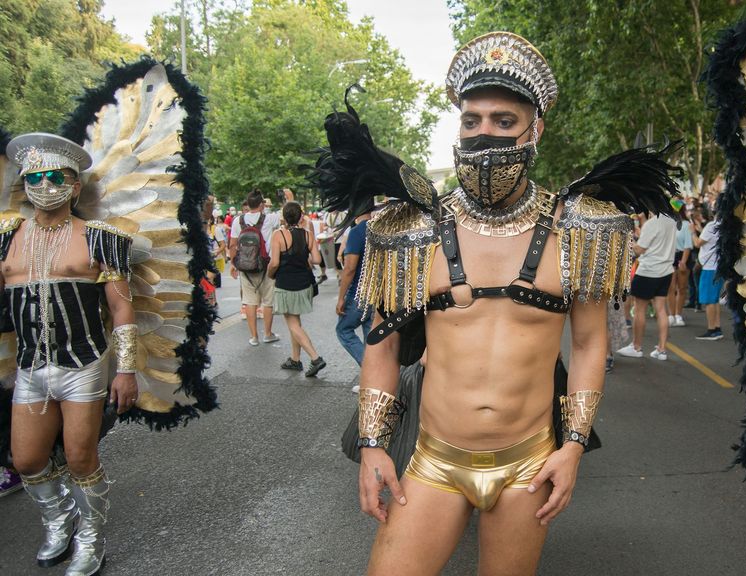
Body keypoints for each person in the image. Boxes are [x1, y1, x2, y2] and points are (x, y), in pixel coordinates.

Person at [315, 32, 676, 575]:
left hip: (529, 464)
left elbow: (588, 342)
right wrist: (372, 446)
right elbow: (381, 348)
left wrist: (573, 445)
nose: (485, 133)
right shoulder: (412, 227)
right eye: (472, 120)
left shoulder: (581, 227)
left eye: (503, 121)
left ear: (536, 129)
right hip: (433, 460)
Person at [4, 133, 138, 575]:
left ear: (76, 186)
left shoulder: (99, 239)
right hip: (30, 367)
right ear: (24, 183)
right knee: (26, 459)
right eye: (35, 177)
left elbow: (121, 308)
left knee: (81, 458)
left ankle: (92, 538)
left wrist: (127, 370)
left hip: (84, 365)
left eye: (57, 177)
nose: (45, 185)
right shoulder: (6, 238)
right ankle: (60, 519)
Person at [268, 201, 326, 377]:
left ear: (284, 217)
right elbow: (316, 259)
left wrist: (270, 274)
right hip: (304, 283)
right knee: (296, 322)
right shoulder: (308, 235)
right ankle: (295, 359)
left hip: (285, 283)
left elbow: (275, 262)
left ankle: (315, 358)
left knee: (292, 323)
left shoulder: (278, 235)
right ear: (301, 216)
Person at [616, 212, 677, 360]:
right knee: (661, 310)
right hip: (666, 271)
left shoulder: (652, 223)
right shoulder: (671, 221)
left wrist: (627, 244)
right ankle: (662, 349)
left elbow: (639, 249)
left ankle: (636, 347)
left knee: (639, 309)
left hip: (648, 271)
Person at [229, 189, 280, 346]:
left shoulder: (238, 221)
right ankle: (268, 333)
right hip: (266, 265)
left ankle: (254, 337)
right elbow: (286, 215)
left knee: (250, 301)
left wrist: (233, 264)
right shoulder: (270, 219)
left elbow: (232, 245)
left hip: (246, 266)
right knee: (267, 301)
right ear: (261, 204)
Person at [335, 207, 374, 393]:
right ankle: (372, 381)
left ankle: (370, 373)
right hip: (378, 291)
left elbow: (350, 267)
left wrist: (341, 297)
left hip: (359, 291)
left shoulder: (357, 232)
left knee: (343, 330)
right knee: (370, 336)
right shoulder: (380, 228)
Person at [692, 213, 723, 340]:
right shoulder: (723, 226)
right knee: (714, 300)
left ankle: (711, 330)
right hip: (718, 267)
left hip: (709, 268)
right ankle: (717, 327)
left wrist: (692, 232)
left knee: (709, 300)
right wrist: (700, 229)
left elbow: (698, 243)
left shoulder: (711, 226)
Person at [669, 205, 693, 326]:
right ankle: (671, 315)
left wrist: (683, 262)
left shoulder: (686, 225)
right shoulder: (668, 224)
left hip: (682, 257)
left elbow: (688, 245)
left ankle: (678, 315)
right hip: (669, 257)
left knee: (682, 288)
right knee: (671, 288)